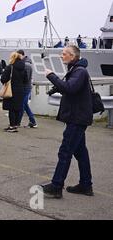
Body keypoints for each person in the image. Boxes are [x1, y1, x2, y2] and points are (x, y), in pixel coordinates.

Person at [42, 45, 94, 198]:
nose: (61, 55)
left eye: (64, 53)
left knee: (65, 151)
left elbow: (70, 88)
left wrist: (51, 75)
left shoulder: (79, 71)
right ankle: (86, 185)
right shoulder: (76, 70)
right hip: (78, 117)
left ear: (73, 56)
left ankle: (56, 186)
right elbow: (69, 88)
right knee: (80, 152)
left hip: (77, 119)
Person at [0, 52, 28, 133]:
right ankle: (15, 124)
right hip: (20, 90)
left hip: (11, 90)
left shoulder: (10, 67)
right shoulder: (23, 67)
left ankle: (12, 126)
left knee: (11, 108)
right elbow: (26, 80)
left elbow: (3, 78)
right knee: (17, 108)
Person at [17, 50, 37, 128]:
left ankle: (19, 122)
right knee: (24, 105)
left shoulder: (26, 65)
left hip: (25, 88)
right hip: (26, 88)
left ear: (21, 55)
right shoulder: (27, 64)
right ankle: (32, 121)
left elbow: (26, 79)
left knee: (23, 105)